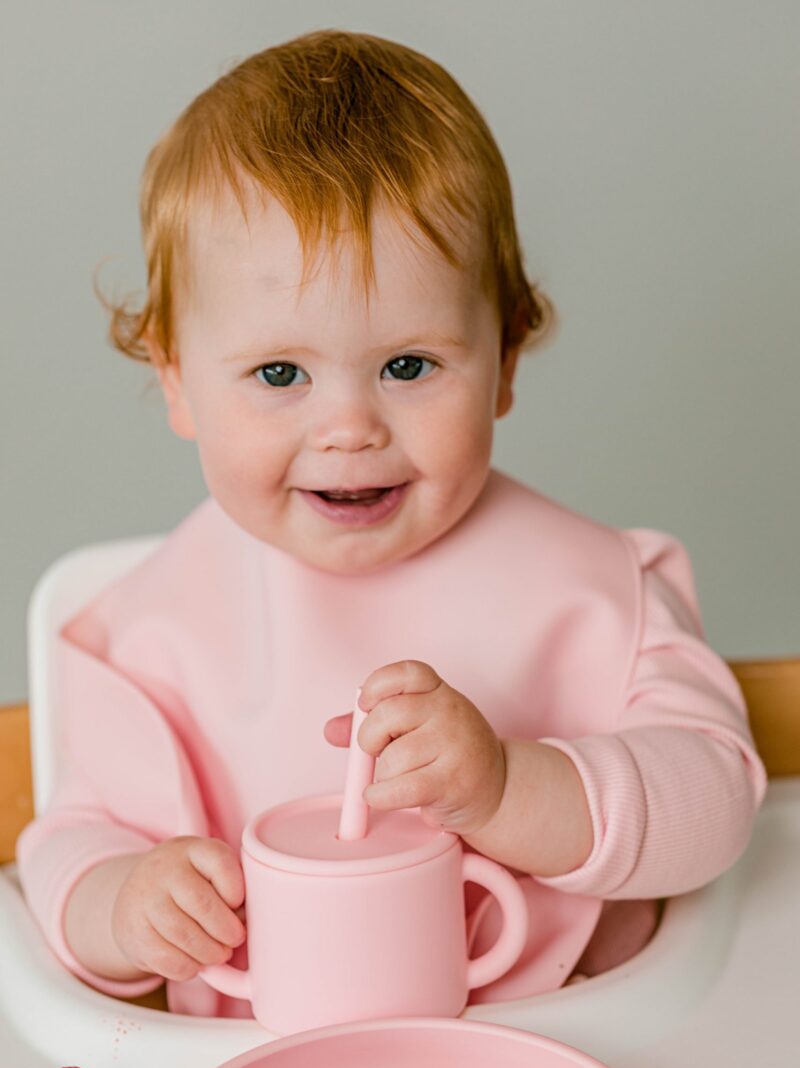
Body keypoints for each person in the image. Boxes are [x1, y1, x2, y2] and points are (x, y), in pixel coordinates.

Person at [16, 29, 766, 1017]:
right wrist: (121, 906)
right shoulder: (153, 631)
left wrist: (508, 790)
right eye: (279, 374)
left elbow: (714, 801)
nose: (348, 429)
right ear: (176, 381)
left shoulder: (591, 587)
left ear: (502, 360)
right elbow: (66, 840)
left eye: (407, 366)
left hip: (563, 1053)